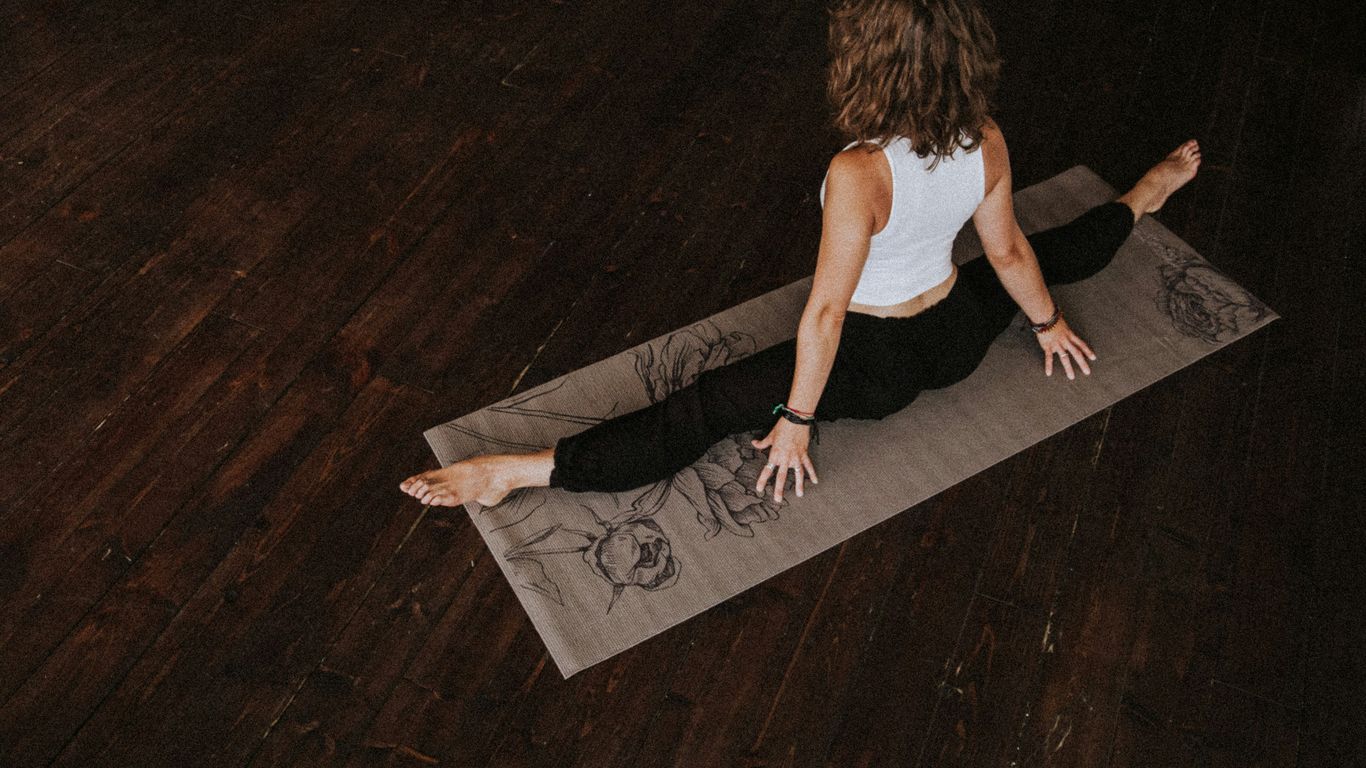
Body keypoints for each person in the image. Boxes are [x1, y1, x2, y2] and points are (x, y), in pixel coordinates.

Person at [401, 0, 1201, 509]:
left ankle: (511, 474)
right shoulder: (986, 136)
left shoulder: (860, 172)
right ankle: (1141, 197)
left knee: (706, 407)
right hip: (956, 339)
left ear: (868, 65)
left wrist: (795, 419)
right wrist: (1049, 323)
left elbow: (825, 313)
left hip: (875, 366)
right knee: (1047, 254)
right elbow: (1013, 252)